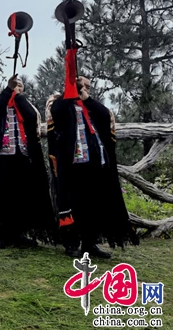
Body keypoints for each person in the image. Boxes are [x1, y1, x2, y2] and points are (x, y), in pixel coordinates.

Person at [47, 76, 138, 258]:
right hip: (73, 164)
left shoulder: (91, 106)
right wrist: (70, 92)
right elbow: (57, 113)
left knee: (93, 206)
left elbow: (105, 116)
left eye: (87, 87)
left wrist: (86, 99)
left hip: (95, 163)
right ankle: (71, 243)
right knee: (72, 205)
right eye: (81, 85)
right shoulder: (60, 103)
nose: (85, 89)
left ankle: (90, 244)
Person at [0, 75, 56, 248]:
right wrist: (8, 92)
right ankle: (1, 235)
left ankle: (19, 234)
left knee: (21, 196)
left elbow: (32, 117)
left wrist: (17, 96)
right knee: (3, 196)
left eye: (20, 86)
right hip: (3, 155)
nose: (17, 88)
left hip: (23, 154)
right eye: (14, 86)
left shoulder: (25, 104)